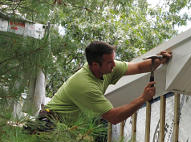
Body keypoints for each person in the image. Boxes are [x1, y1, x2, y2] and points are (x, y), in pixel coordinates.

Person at [44, 41, 172, 125]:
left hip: (65, 129)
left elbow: (138, 67)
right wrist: (143, 98)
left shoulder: (109, 68)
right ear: (95, 65)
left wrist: (159, 60)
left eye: (113, 60)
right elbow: (113, 117)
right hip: (49, 127)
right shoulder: (85, 85)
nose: (114, 64)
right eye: (109, 62)